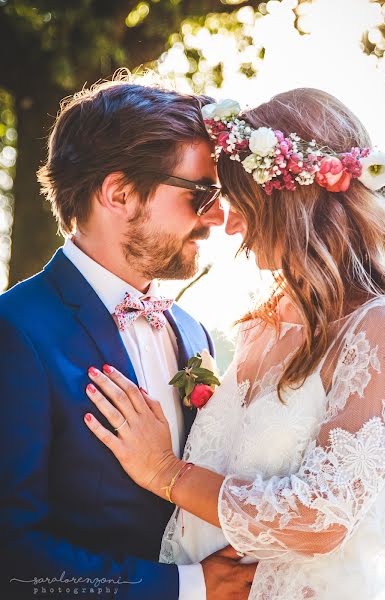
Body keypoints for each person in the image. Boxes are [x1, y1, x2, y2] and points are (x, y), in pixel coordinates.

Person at [83, 88, 385, 599]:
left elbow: (321, 519)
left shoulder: (384, 325)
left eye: (234, 198)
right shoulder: (263, 321)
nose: (224, 219)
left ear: (292, 200)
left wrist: (162, 470)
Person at [0, 74, 257, 600]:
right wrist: (185, 587)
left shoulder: (194, 332)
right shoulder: (16, 330)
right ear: (118, 193)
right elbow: (12, 555)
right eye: (202, 193)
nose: (217, 218)